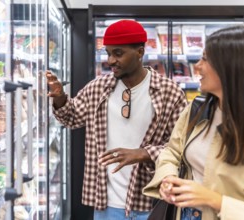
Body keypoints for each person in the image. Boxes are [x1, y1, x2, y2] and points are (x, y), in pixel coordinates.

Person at [143, 25, 244, 220]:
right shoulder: (197, 111)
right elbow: (172, 151)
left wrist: (216, 201)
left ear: (232, 67)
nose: (197, 66)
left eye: (205, 59)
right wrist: (168, 177)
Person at [46, 19, 187, 219]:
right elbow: (71, 118)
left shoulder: (169, 93)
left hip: (150, 200)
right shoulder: (97, 87)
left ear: (139, 52)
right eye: (108, 53)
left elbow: (180, 148)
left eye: (118, 53)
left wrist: (144, 153)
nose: (111, 60)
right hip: (106, 203)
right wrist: (60, 98)